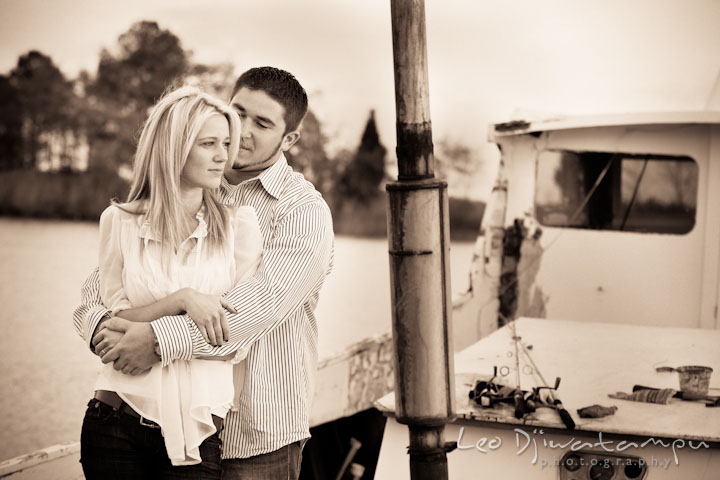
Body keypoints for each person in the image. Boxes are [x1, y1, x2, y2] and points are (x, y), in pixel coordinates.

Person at [74, 67, 335, 479]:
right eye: (238, 113)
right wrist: (103, 329)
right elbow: (102, 288)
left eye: (262, 123)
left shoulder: (302, 211)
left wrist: (155, 340)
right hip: (156, 418)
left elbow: (250, 313)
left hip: (254, 434)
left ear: (289, 140)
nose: (242, 131)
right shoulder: (187, 187)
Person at [79, 85, 263, 479]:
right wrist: (183, 299)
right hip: (115, 418)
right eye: (208, 143)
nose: (222, 156)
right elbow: (117, 319)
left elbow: (235, 333)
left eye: (226, 143)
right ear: (173, 147)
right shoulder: (120, 221)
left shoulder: (239, 228)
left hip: (197, 435)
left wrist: (154, 329)